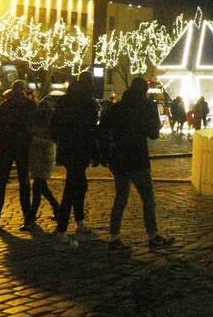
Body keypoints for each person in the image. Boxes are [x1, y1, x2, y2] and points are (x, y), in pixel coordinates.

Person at [98, 77, 173, 251]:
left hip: (119, 158)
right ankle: (152, 235)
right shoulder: (148, 106)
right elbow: (153, 134)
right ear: (144, 90)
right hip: (138, 158)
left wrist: (106, 153)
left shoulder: (118, 107)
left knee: (120, 198)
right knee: (147, 198)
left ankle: (114, 236)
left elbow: (103, 128)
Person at [51, 71, 100, 247]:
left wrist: (61, 143)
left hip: (67, 149)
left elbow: (54, 126)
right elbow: (91, 131)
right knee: (72, 188)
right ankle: (62, 230)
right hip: (80, 149)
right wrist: (95, 153)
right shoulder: (89, 103)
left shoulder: (64, 101)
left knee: (79, 185)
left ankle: (79, 223)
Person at [0, 80, 36, 231]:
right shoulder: (30, 105)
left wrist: (0, 140)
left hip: (6, 146)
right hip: (21, 147)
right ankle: (27, 217)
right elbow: (34, 125)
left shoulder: (4, 106)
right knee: (23, 182)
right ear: (24, 90)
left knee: (1, 182)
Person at [27, 105, 61, 227]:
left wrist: (33, 139)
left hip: (44, 160)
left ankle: (31, 217)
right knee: (43, 189)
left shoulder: (49, 127)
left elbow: (49, 143)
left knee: (37, 190)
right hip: (38, 160)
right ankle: (57, 208)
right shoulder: (38, 125)